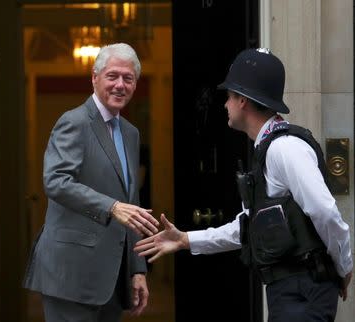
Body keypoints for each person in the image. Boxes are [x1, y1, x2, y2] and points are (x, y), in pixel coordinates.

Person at [134, 48, 353, 321]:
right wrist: (185, 240)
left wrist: (344, 267)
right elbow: (248, 228)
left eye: (228, 96)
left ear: (243, 101)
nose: (225, 104)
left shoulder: (285, 149)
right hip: (289, 290)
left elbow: (325, 212)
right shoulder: (267, 149)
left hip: (303, 290)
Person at [23, 42, 160, 322]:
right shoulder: (73, 122)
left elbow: (131, 204)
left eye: (128, 78)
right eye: (112, 76)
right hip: (70, 274)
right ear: (94, 78)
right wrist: (110, 207)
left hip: (111, 278)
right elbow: (56, 181)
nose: (120, 85)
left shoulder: (131, 133)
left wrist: (137, 270)